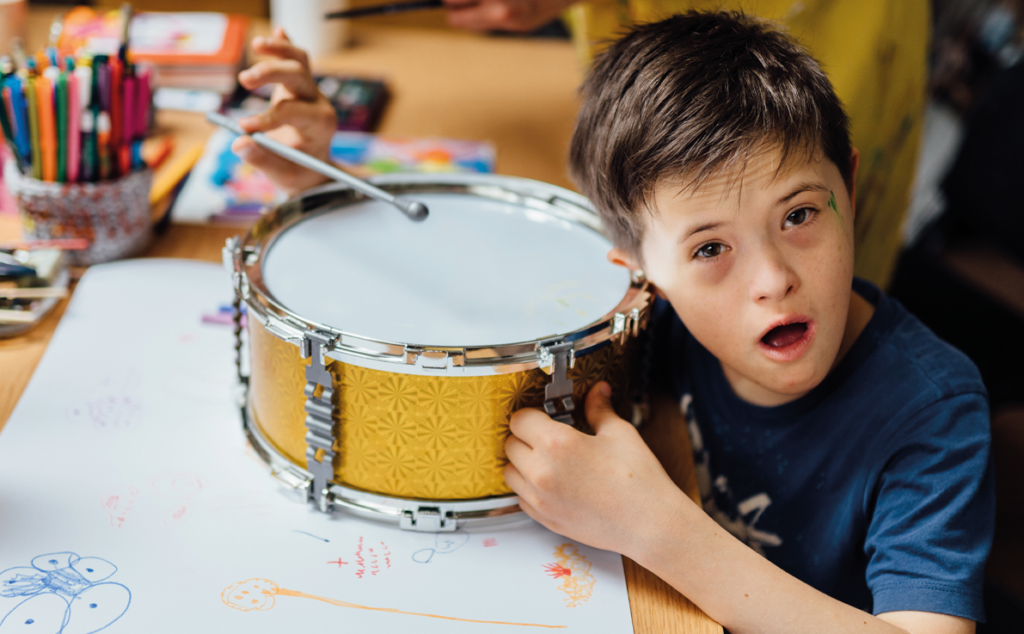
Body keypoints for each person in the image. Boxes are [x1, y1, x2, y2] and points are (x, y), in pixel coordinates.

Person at [234, 12, 993, 634]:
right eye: (710, 249)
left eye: (798, 214)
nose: (773, 280)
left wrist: (658, 529)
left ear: (848, 187)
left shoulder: (935, 408)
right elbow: (470, 276)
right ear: (634, 266)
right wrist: (319, 187)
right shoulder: (646, 313)